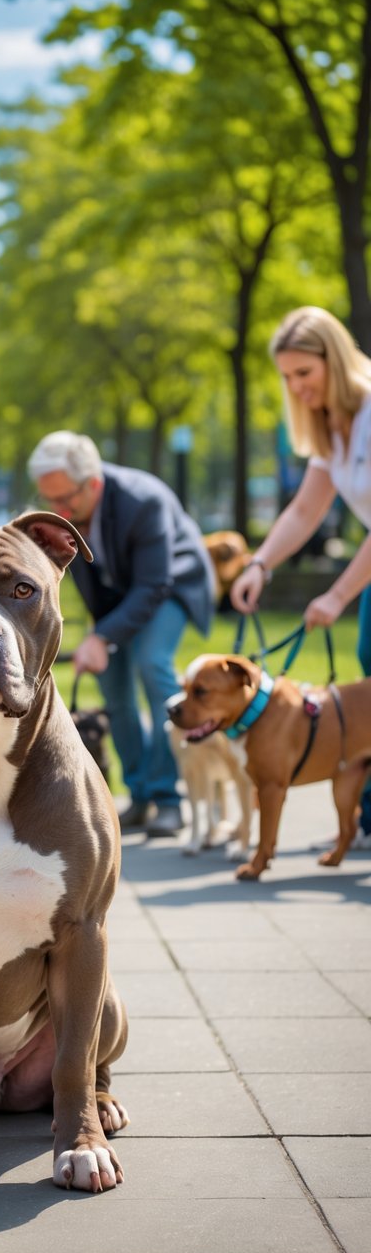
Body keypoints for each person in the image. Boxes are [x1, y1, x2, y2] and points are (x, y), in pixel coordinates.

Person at [28, 431, 215, 837]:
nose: (57, 510)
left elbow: (154, 584)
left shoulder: (142, 500)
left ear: (93, 483)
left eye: (65, 499)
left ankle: (169, 799)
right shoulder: (66, 513)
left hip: (172, 586)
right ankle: (141, 793)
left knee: (152, 664)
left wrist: (102, 635)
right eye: (50, 500)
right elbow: (84, 581)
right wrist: (101, 633)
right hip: (117, 598)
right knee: (112, 684)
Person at [231, 304, 371, 847]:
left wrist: (336, 596)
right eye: (287, 377)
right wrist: (260, 563)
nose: (296, 387)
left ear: (333, 361)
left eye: (304, 374)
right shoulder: (330, 427)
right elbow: (305, 510)